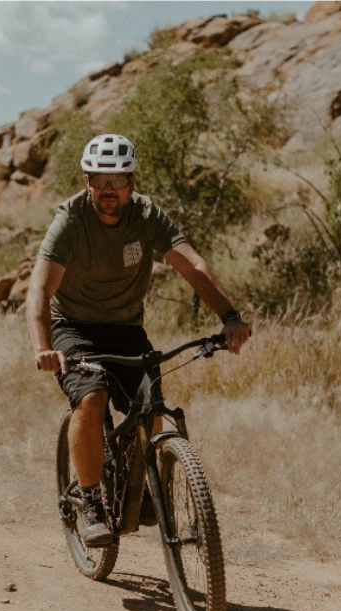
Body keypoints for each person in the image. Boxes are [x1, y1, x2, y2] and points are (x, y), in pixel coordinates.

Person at [26, 133, 252, 547]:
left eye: (119, 180)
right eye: (101, 180)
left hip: (126, 327)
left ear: (132, 181)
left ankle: (136, 482)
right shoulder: (71, 220)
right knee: (92, 397)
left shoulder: (147, 215)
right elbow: (40, 289)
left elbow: (192, 265)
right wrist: (43, 346)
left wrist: (230, 317)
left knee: (149, 405)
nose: (109, 190)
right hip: (73, 327)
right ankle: (91, 501)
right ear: (87, 181)